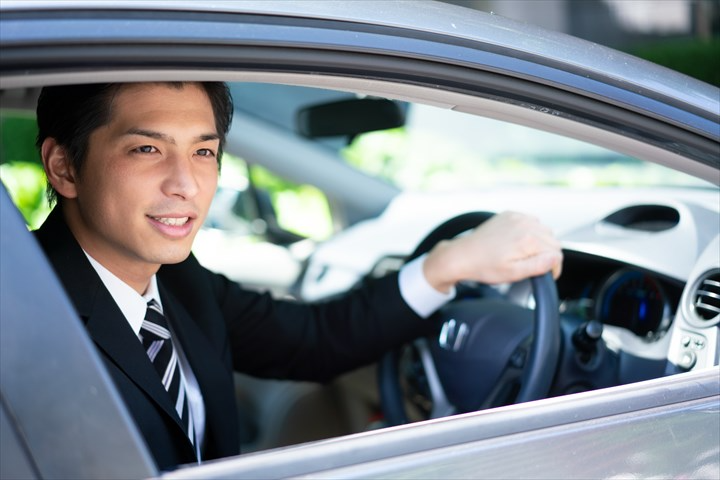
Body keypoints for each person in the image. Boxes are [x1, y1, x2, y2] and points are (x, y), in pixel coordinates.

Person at [33, 81, 562, 471]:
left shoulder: (179, 282)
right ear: (65, 167)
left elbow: (312, 341)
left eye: (203, 152)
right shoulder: (23, 309)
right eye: (147, 149)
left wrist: (449, 265)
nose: (186, 184)